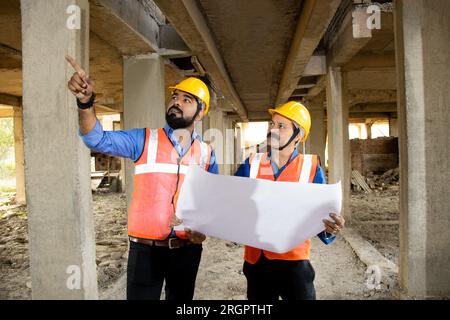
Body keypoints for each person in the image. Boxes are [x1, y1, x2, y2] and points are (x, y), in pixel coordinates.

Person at [66, 55, 217, 300]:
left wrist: (203, 229)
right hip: (145, 251)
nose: (176, 102)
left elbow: (213, 200)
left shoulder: (207, 153)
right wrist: (85, 104)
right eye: (175, 97)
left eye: (186, 100)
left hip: (187, 251)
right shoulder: (144, 139)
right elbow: (95, 138)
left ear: (200, 113)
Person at [235, 101, 345, 300]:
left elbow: (321, 215)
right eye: (271, 124)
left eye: (281, 126)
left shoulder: (311, 168)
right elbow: (231, 200)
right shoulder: (251, 163)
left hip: (294, 263)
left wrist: (330, 229)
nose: (272, 129)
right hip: (256, 262)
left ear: (299, 135)